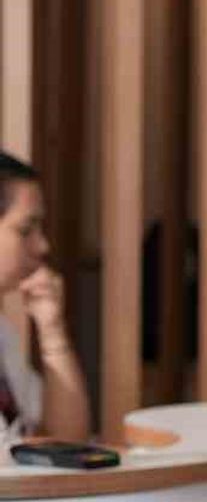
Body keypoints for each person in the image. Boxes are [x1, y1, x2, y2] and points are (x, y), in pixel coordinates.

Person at [0, 152, 91, 443]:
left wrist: (53, 332)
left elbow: (66, 442)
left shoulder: (3, 335)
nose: (42, 246)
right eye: (26, 230)